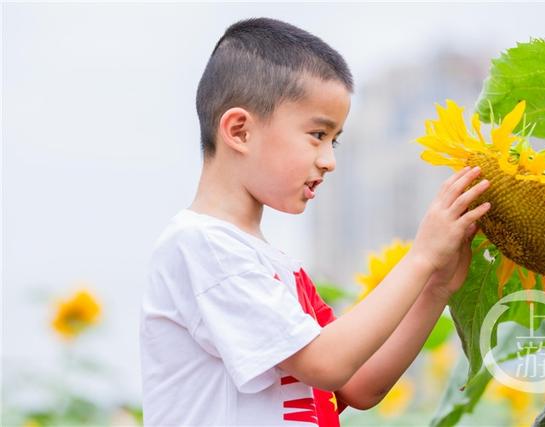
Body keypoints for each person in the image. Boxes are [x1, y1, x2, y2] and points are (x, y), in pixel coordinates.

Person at [139, 17, 491, 427]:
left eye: (335, 140)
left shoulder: (271, 265)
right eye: (317, 134)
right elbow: (327, 363)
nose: (329, 160)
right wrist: (422, 257)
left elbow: (358, 384)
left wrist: (437, 286)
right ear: (240, 131)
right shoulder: (204, 248)